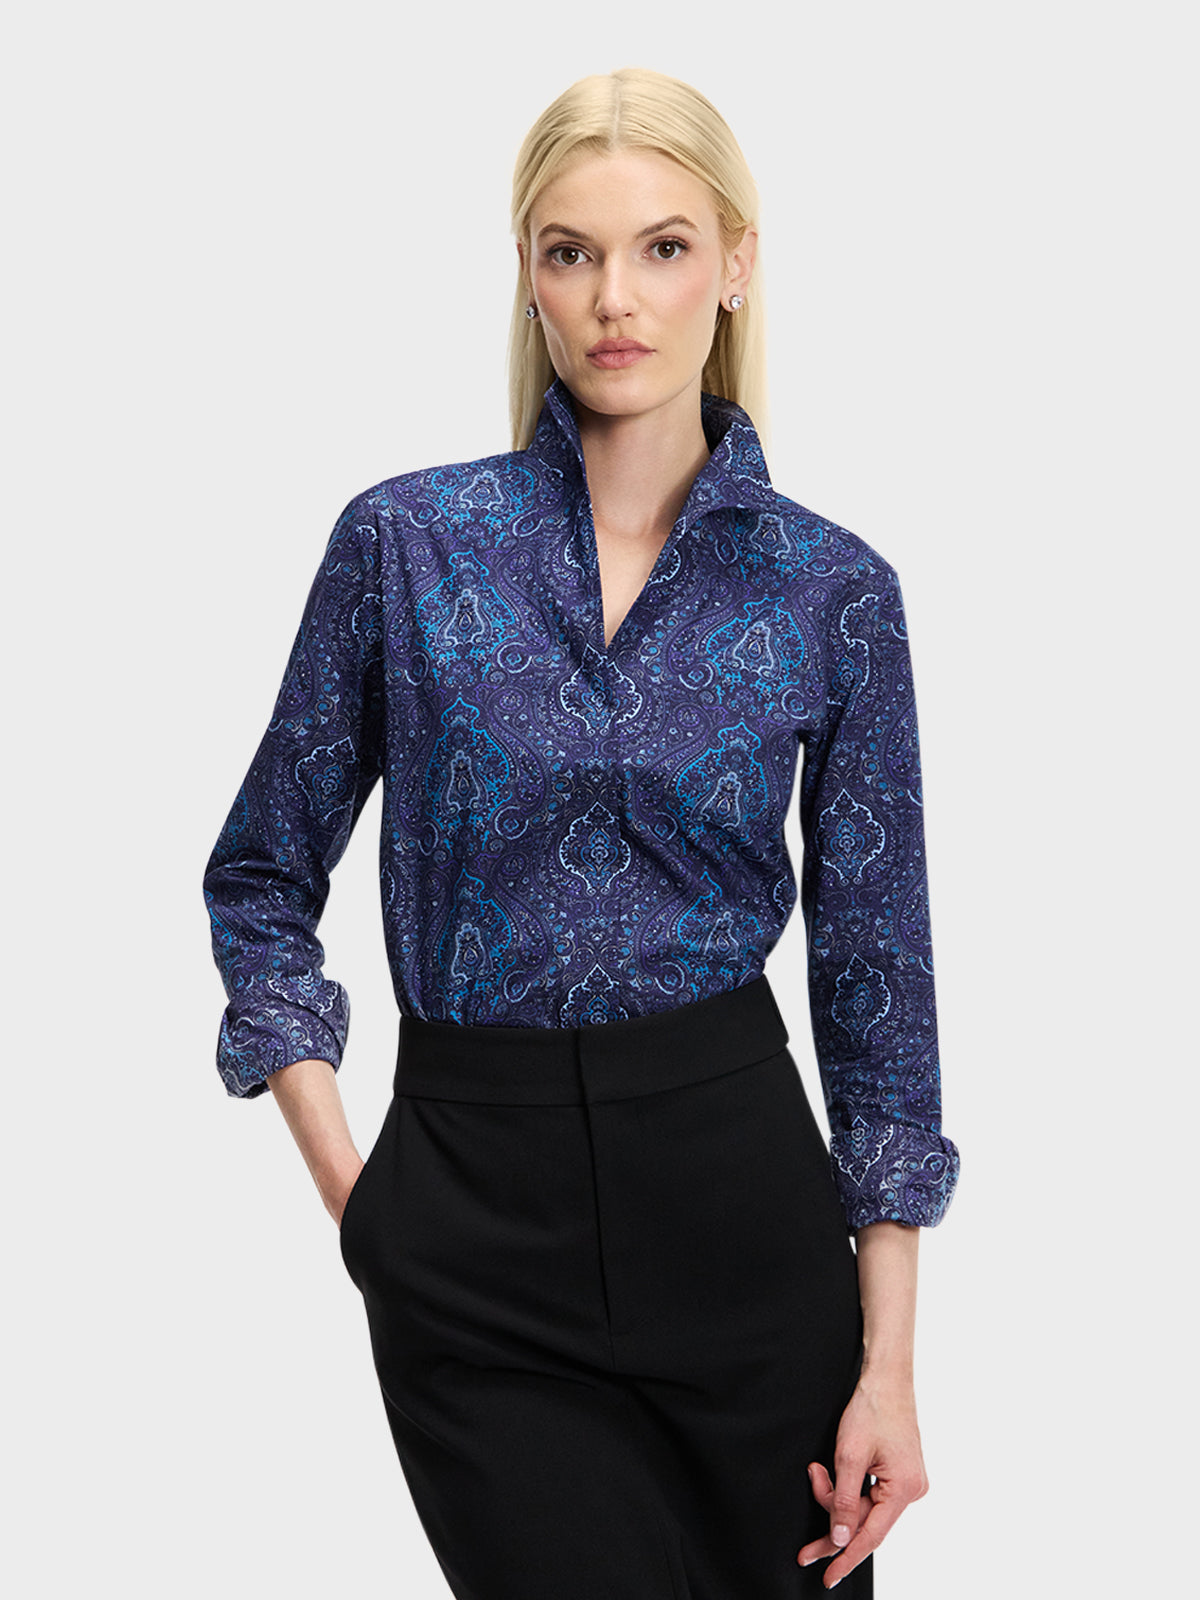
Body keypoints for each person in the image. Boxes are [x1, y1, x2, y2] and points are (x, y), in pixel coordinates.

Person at [203, 65, 960, 1599]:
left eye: (663, 247)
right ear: (529, 275)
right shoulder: (405, 545)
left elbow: (878, 986)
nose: (617, 296)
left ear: (735, 265)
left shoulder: (834, 592)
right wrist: (363, 1202)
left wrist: (889, 1363)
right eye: (573, 252)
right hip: (472, 1217)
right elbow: (263, 874)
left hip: (741, 1208)